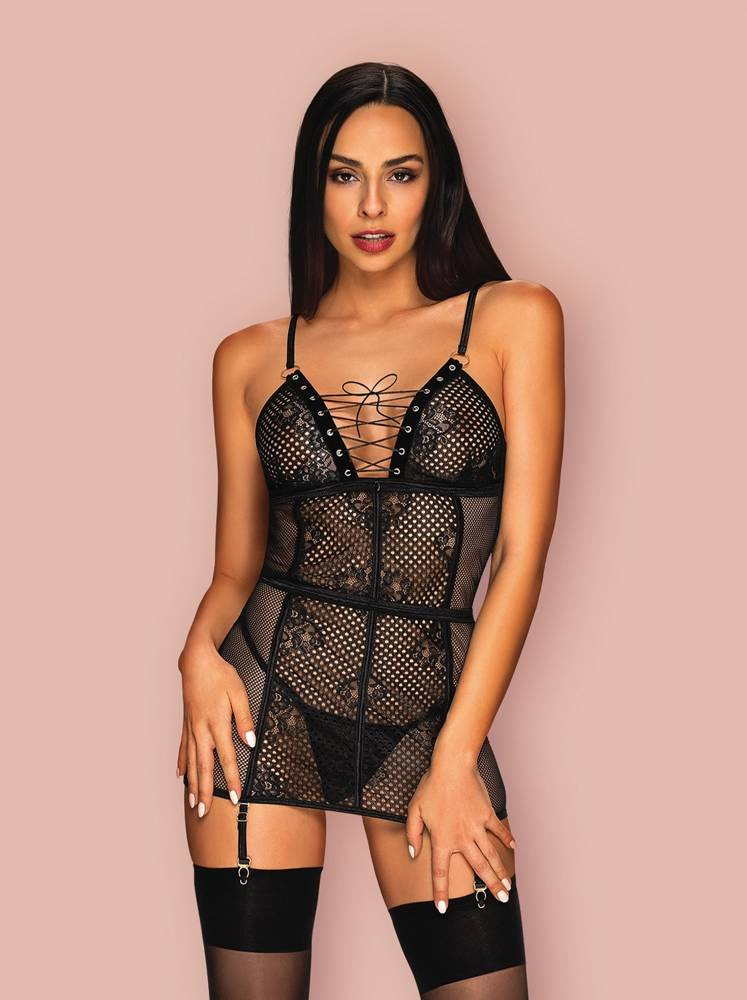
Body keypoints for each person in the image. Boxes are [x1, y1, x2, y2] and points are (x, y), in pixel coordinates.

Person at [176, 61, 564, 999]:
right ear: (312, 188)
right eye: (343, 174)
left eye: (401, 173)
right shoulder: (249, 358)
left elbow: (519, 555)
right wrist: (192, 656)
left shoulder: (512, 319)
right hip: (261, 700)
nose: (372, 204)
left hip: (431, 720)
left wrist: (457, 756)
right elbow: (235, 567)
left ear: (439, 184)